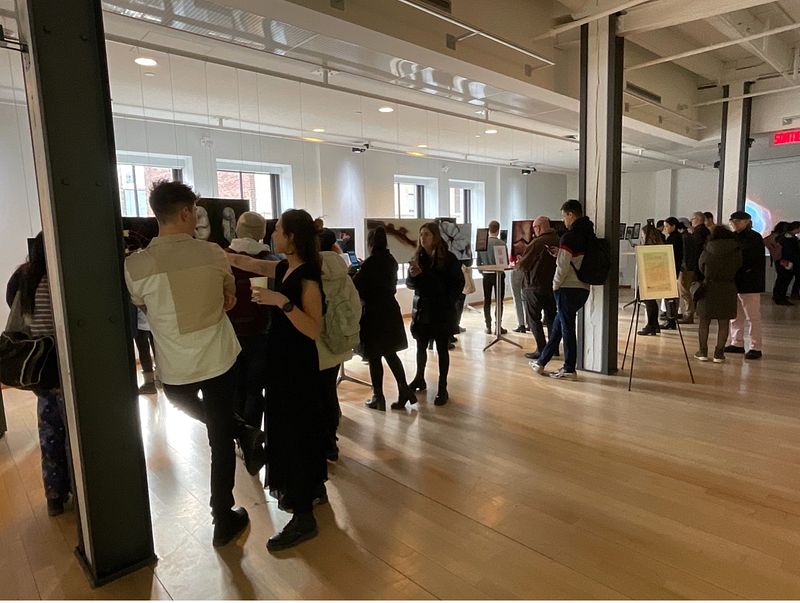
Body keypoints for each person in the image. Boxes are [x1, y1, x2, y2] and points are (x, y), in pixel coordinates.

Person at [125, 181, 258, 548]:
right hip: (219, 357)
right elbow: (229, 297)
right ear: (185, 212)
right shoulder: (213, 253)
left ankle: (240, 432)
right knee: (220, 437)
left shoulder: (136, 265)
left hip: (176, 365)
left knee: (183, 402)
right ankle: (222, 516)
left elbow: (141, 304)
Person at [228, 209, 327, 552]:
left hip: (298, 365)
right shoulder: (286, 267)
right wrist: (217, 254)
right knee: (291, 429)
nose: (273, 234)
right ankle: (312, 491)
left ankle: (303, 516)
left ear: (292, 237)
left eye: (279, 230)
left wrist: (281, 302)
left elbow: (313, 329)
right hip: (283, 361)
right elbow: (249, 263)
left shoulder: (308, 276)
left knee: (295, 433)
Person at [6, 233, 73, 517]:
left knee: (49, 431)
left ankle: (55, 496)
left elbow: (14, 311)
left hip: (39, 366)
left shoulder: (25, 278)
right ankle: (81, 490)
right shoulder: (64, 277)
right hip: (65, 364)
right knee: (75, 432)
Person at [530, 200, 593, 381]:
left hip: (567, 288)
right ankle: (541, 362)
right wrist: (561, 253)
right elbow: (575, 259)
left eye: (564, 216)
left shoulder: (569, 237)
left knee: (567, 329)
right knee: (558, 326)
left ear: (571, 214)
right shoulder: (589, 234)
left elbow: (563, 267)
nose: (564, 221)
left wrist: (555, 285)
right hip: (583, 287)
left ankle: (569, 369)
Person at [353, 226, 415, 411]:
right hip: (390, 310)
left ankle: (378, 397)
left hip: (373, 314)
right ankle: (404, 390)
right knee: (390, 353)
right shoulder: (391, 260)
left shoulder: (369, 264)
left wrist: (353, 273)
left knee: (374, 356)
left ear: (370, 243)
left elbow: (357, 286)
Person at [225, 212, 274, 431]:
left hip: (229, 333)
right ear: (262, 233)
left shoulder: (222, 258)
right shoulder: (271, 261)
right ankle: (252, 435)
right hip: (262, 332)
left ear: (237, 229)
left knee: (234, 386)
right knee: (255, 389)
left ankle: (237, 433)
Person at [406, 222, 465, 406]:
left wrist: (448, 300)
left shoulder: (448, 258)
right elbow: (411, 284)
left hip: (441, 311)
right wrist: (412, 276)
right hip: (423, 310)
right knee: (421, 347)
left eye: (426, 234)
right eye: (421, 234)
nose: (423, 238)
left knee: (441, 349)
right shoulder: (418, 257)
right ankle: (419, 378)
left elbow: (456, 284)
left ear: (435, 237)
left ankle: (442, 387)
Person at [316, 223, 358, 460]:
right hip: (337, 343)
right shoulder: (343, 274)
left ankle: (321, 443)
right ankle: (330, 442)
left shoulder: (309, 274)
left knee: (317, 395)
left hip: (315, 344)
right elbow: (354, 306)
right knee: (329, 392)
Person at [694, 226, 741, 363]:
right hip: (728, 287)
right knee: (724, 322)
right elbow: (739, 265)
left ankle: (702, 352)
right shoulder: (736, 249)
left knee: (704, 322)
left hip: (708, 287)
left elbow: (701, 266)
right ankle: (719, 354)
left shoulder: (708, 248)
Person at [724, 211, 766, 360]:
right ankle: (737, 343)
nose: (734, 223)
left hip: (750, 282)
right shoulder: (732, 237)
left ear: (747, 221)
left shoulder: (755, 237)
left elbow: (752, 259)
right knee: (735, 315)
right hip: (734, 281)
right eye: (732, 221)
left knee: (752, 316)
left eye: (737, 221)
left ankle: (755, 346)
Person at [518, 216, 559, 359]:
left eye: (534, 228)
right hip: (553, 286)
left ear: (539, 228)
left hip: (534, 286)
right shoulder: (558, 240)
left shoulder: (537, 243)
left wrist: (519, 262)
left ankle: (541, 349)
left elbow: (523, 265)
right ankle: (553, 348)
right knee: (551, 317)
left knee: (533, 319)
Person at [477, 220, 507, 334]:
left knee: (487, 301)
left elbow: (478, 262)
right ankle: (498, 326)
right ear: (498, 230)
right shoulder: (502, 243)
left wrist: (483, 272)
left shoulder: (482, 243)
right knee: (499, 301)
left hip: (486, 275)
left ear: (488, 229)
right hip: (498, 275)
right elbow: (505, 262)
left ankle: (488, 326)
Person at [637, 224, 667, 336]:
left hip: (650, 275)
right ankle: (654, 324)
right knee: (652, 301)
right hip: (657, 275)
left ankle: (651, 325)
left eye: (642, 235)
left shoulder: (649, 248)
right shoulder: (659, 245)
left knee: (649, 301)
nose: (641, 237)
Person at [659, 217, 683, 330]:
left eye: (667, 226)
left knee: (670, 296)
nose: (665, 228)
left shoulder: (674, 238)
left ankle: (671, 320)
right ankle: (670, 318)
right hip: (674, 268)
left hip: (671, 268)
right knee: (669, 296)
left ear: (673, 226)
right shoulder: (674, 237)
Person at [678, 218, 701, 324]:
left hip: (685, 268)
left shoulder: (684, 238)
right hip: (691, 267)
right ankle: (688, 313)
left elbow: (685, 255)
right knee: (685, 291)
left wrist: (683, 267)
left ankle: (688, 314)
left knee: (684, 292)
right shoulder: (691, 237)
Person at [772, 221, 797, 305]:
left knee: (782, 279)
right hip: (786, 261)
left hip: (783, 261)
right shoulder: (788, 238)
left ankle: (778, 296)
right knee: (784, 279)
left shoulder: (783, 237)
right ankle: (780, 298)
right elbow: (789, 250)